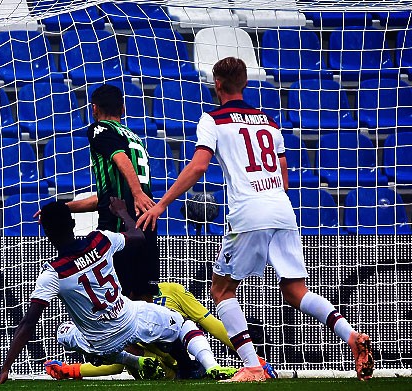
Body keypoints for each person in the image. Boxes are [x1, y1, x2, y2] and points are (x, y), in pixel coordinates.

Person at [136, 57, 374, 382]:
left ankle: (251, 365)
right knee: (294, 291)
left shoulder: (212, 119)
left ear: (217, 84)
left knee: (221, 291)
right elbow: (284, 177)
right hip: (281, 207)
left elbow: (199, 166)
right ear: (246, 83)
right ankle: (350, 336)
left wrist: (161, 204)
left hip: (249, 211)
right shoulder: (269, 121)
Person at [0, 198, 230, 384]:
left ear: (46, 234)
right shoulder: (100, 241)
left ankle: (133, 361)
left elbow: (28, 323)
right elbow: (138, 237)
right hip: (129, 319)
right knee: (178, 322)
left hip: (99, 343)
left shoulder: (53, 274)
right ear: (74, 224)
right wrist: (123, 213)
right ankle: (189, 368)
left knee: (63, 333)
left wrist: (6, 368)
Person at [43, 281, 276, 380]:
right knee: (186, 326)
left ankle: (223, 367)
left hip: (169, 368)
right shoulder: (164, 294)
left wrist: (73, 370)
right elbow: (210, 324)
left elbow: (119, 361)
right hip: (168, 366)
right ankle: (220, 367)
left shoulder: (125, 306)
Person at [68, 84, 159, 299]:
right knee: (145, 299)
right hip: (144, 226)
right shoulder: (135, 138)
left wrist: (136, 192)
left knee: (116, 301)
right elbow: (108, 196)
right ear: (123, 109)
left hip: (120, 228)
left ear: (94, 109)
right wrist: (64, 208)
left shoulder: (100, 129)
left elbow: (120, 158)